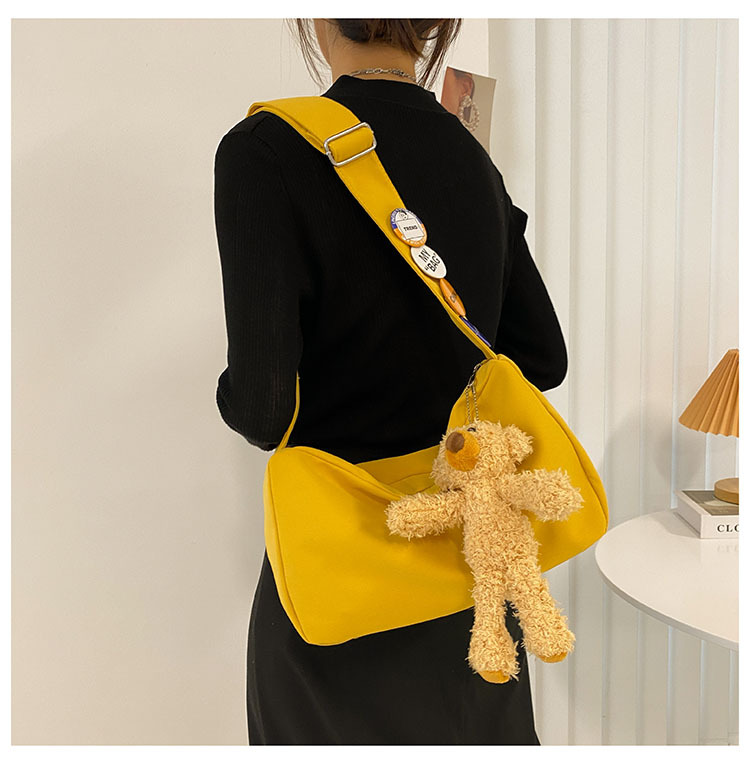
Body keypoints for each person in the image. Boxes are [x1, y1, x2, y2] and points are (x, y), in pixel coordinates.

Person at [213, 18, 567, 745]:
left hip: (343, 588)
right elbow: (543, 358)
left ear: (318, 17)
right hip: (474, 573)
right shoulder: (471, 155)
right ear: (435, 24)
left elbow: (263, 409)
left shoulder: (266, 150)